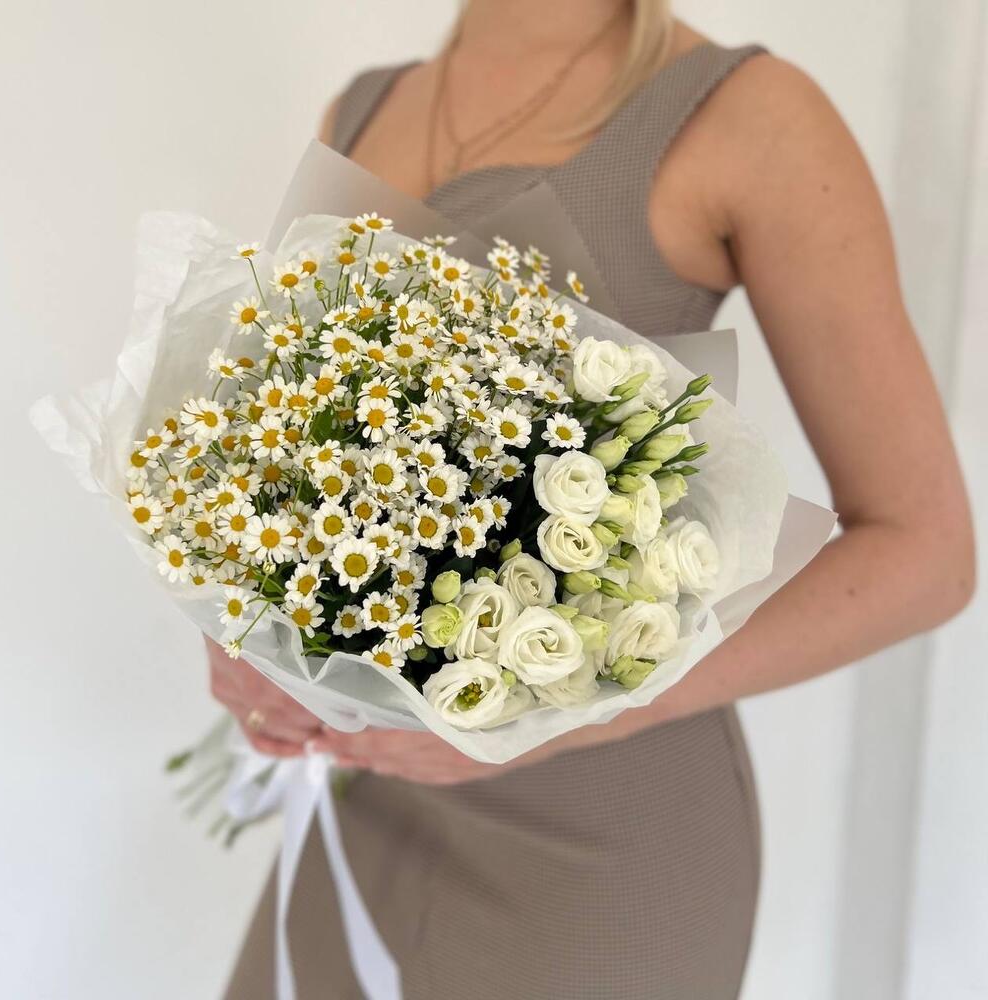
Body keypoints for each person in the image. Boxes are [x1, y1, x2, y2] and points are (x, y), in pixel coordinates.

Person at [216, 2, 975, 996]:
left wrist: (567, 715)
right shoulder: (361, 109)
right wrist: (250, 631)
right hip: (367, 804)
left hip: (601, 844)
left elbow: (925, 552)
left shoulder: (751, 117)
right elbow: (292, 460)